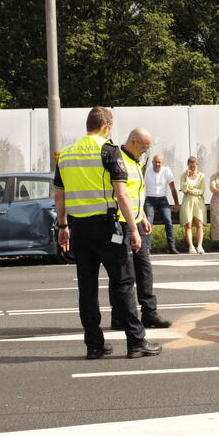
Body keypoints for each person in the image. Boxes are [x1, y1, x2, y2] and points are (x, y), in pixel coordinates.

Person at [54, 106, 161, 360]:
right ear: (106, 126)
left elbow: (59, 195)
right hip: (108, 228)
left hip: (79, 229)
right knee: (123, 284)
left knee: (87, 289)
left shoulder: (66, 155)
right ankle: (136, 342)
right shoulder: (109, 151)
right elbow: (122, 194)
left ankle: (94, 345)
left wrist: (62, 227)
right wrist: (133, 229)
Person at [110, 127, 171, 330]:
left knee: (144, 269)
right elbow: (121, 195)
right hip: (120, 225)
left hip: (136, 222)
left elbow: (136, 193)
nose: (146, 151)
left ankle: (149, 314)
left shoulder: (136, 161)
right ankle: (119, 317)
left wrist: (143, 216)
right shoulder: (117, 159)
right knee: (121, 272)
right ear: (134, 142)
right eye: (145, 147)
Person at [144, 154, 181, 254]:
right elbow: (140, 186)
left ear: (162, 163)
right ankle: (147, 248)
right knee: (148, 222)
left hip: (162, 200)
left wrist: (177, 203)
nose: (157, 164)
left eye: (159, 162)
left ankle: (172, 247)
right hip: (150, 199)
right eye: (155, 162)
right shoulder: (147, 171)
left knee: (168, 221)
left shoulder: (167, 171)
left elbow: (173, 188)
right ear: (152, 163)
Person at [179, 156, 207, 254]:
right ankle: (191, 246)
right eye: (190, 165)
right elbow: (184, 189)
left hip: (198, 202)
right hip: (187, 201)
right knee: (188, 224)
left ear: (197, 165)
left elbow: (202, 190)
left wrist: (191, 191)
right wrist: (186, 177)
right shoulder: (183, 175)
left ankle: (200, 246)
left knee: (199, 224)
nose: (192, 167)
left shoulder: (202, 176)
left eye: (194, 165)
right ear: (188, 165)